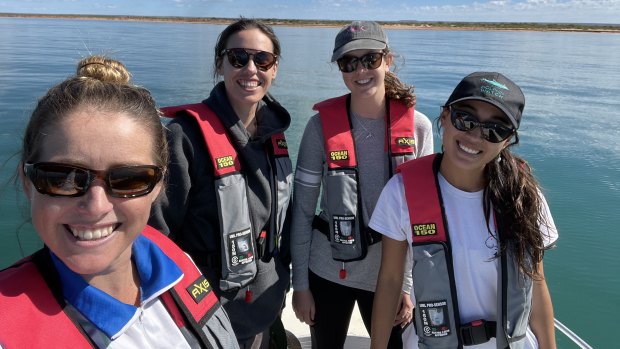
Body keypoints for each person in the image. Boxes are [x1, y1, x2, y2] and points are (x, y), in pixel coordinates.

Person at [0, 55, 238, 348]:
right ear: (27, 181)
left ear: (158, 185)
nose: (96, 205)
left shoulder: (177, 263)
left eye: (129, 179)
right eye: (62, 177)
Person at [370, 72, 558, 348]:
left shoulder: (525, 197)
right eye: (465, 119)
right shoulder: (400, 192)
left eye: (495, 129)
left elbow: (537, 284)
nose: (474, 136)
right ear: (444, 117)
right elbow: (390, 280)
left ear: (507, 141)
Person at [148, 18, 292, 348]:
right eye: (238, 58)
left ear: (275, 68)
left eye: (262, 59)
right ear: (220, 64)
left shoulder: (275, 136)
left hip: (263, 304)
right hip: (204, 313)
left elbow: (282, 219)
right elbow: (157, 234)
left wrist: (282, 280)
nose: (251, 69)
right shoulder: (183, 136)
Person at [290, 20, 434, 349]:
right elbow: (303, 210)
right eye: (348, 62)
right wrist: (300, 285)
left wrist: (408, 286)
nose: (360, 71)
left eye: (370, 59)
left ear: (388, 60)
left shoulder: (419, 130)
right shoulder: (319, 128)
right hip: (326, 272)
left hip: (389, 278)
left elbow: (421, 219)